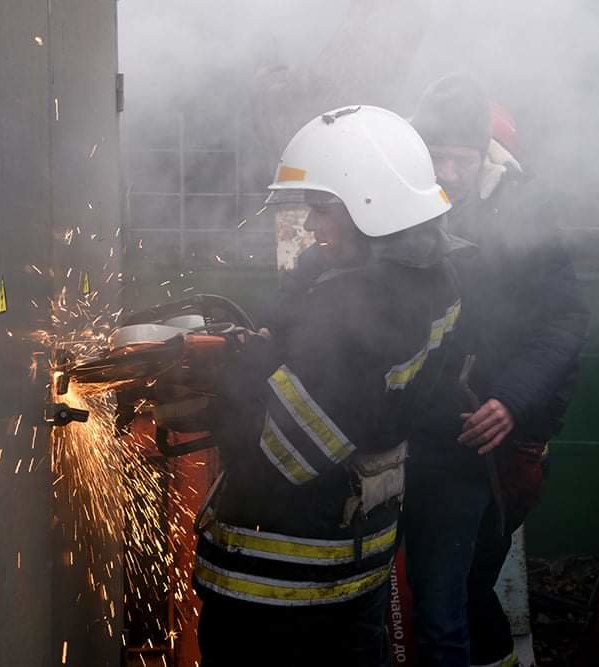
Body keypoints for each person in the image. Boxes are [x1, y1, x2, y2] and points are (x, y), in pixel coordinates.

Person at [193, 105, 468, 666]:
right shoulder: (433, 277)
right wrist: (281, 343)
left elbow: (287, 454)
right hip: (355, 563)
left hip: (283, 587)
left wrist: (230, 378)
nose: (313, 226)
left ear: (373, 204)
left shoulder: (358, 307)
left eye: (324, 210)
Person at [403, 74, 589, 666]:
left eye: (459, 159)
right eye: (437, 158)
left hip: (485, 435)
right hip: (411, 430)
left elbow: (563, 322)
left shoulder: (524, 210)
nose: (448, 174)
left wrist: (509, 401)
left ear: (482, 154)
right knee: (453, 594)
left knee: (453, 594)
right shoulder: (398, 197)